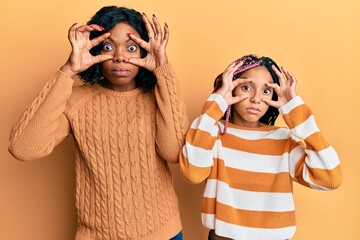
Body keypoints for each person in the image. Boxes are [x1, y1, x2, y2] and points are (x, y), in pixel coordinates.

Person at [8, 6, 188, 240]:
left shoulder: (159, 96)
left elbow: (174, 153)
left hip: (164, 234)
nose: (120, 56)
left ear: (145, 51)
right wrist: (68, 70)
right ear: (95, 49)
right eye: (108, 46)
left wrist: (163, 70)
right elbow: (23, 148)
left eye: (131, 47)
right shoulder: (77, 100)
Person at [179, 54, 342, 240]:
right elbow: (192, 173)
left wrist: (296, 110)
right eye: (246, 87)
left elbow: (330, 177)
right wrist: (216, 103)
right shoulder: (210, 131)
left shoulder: (283, 140)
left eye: (266, 91)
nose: (256, 99)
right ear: (231, 88)